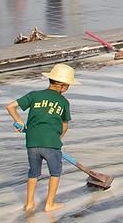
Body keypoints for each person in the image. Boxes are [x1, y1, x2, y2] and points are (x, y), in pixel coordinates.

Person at [5, 63, 76, 214]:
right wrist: (56, 139)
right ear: (63, 86)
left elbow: (10, 106)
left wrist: (19, 121)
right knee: (55, 173)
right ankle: (49, 204)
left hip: (31, 141)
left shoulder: (34, 95)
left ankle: (29, 203)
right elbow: (65, 126)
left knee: (33, 173)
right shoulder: (63, 102)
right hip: (51, 143)